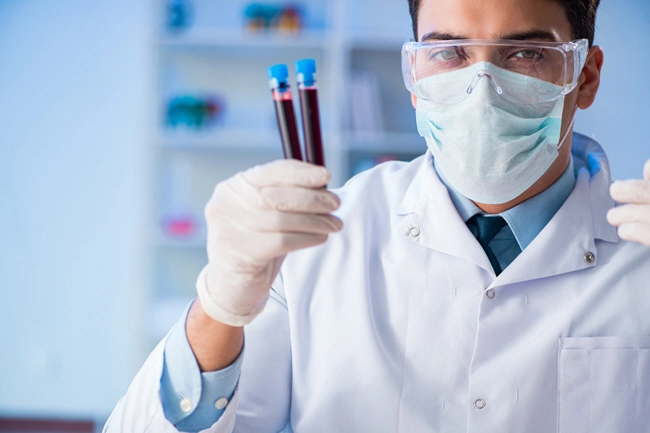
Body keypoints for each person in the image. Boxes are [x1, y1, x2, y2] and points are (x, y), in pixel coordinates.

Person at [105, 0, 650, 431]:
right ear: (413, 75)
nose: (480, 89)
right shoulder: (317, 241)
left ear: (585, 76)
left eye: (524, 54)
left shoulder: (641, 255)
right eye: (449, 53)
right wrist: (220, 304)